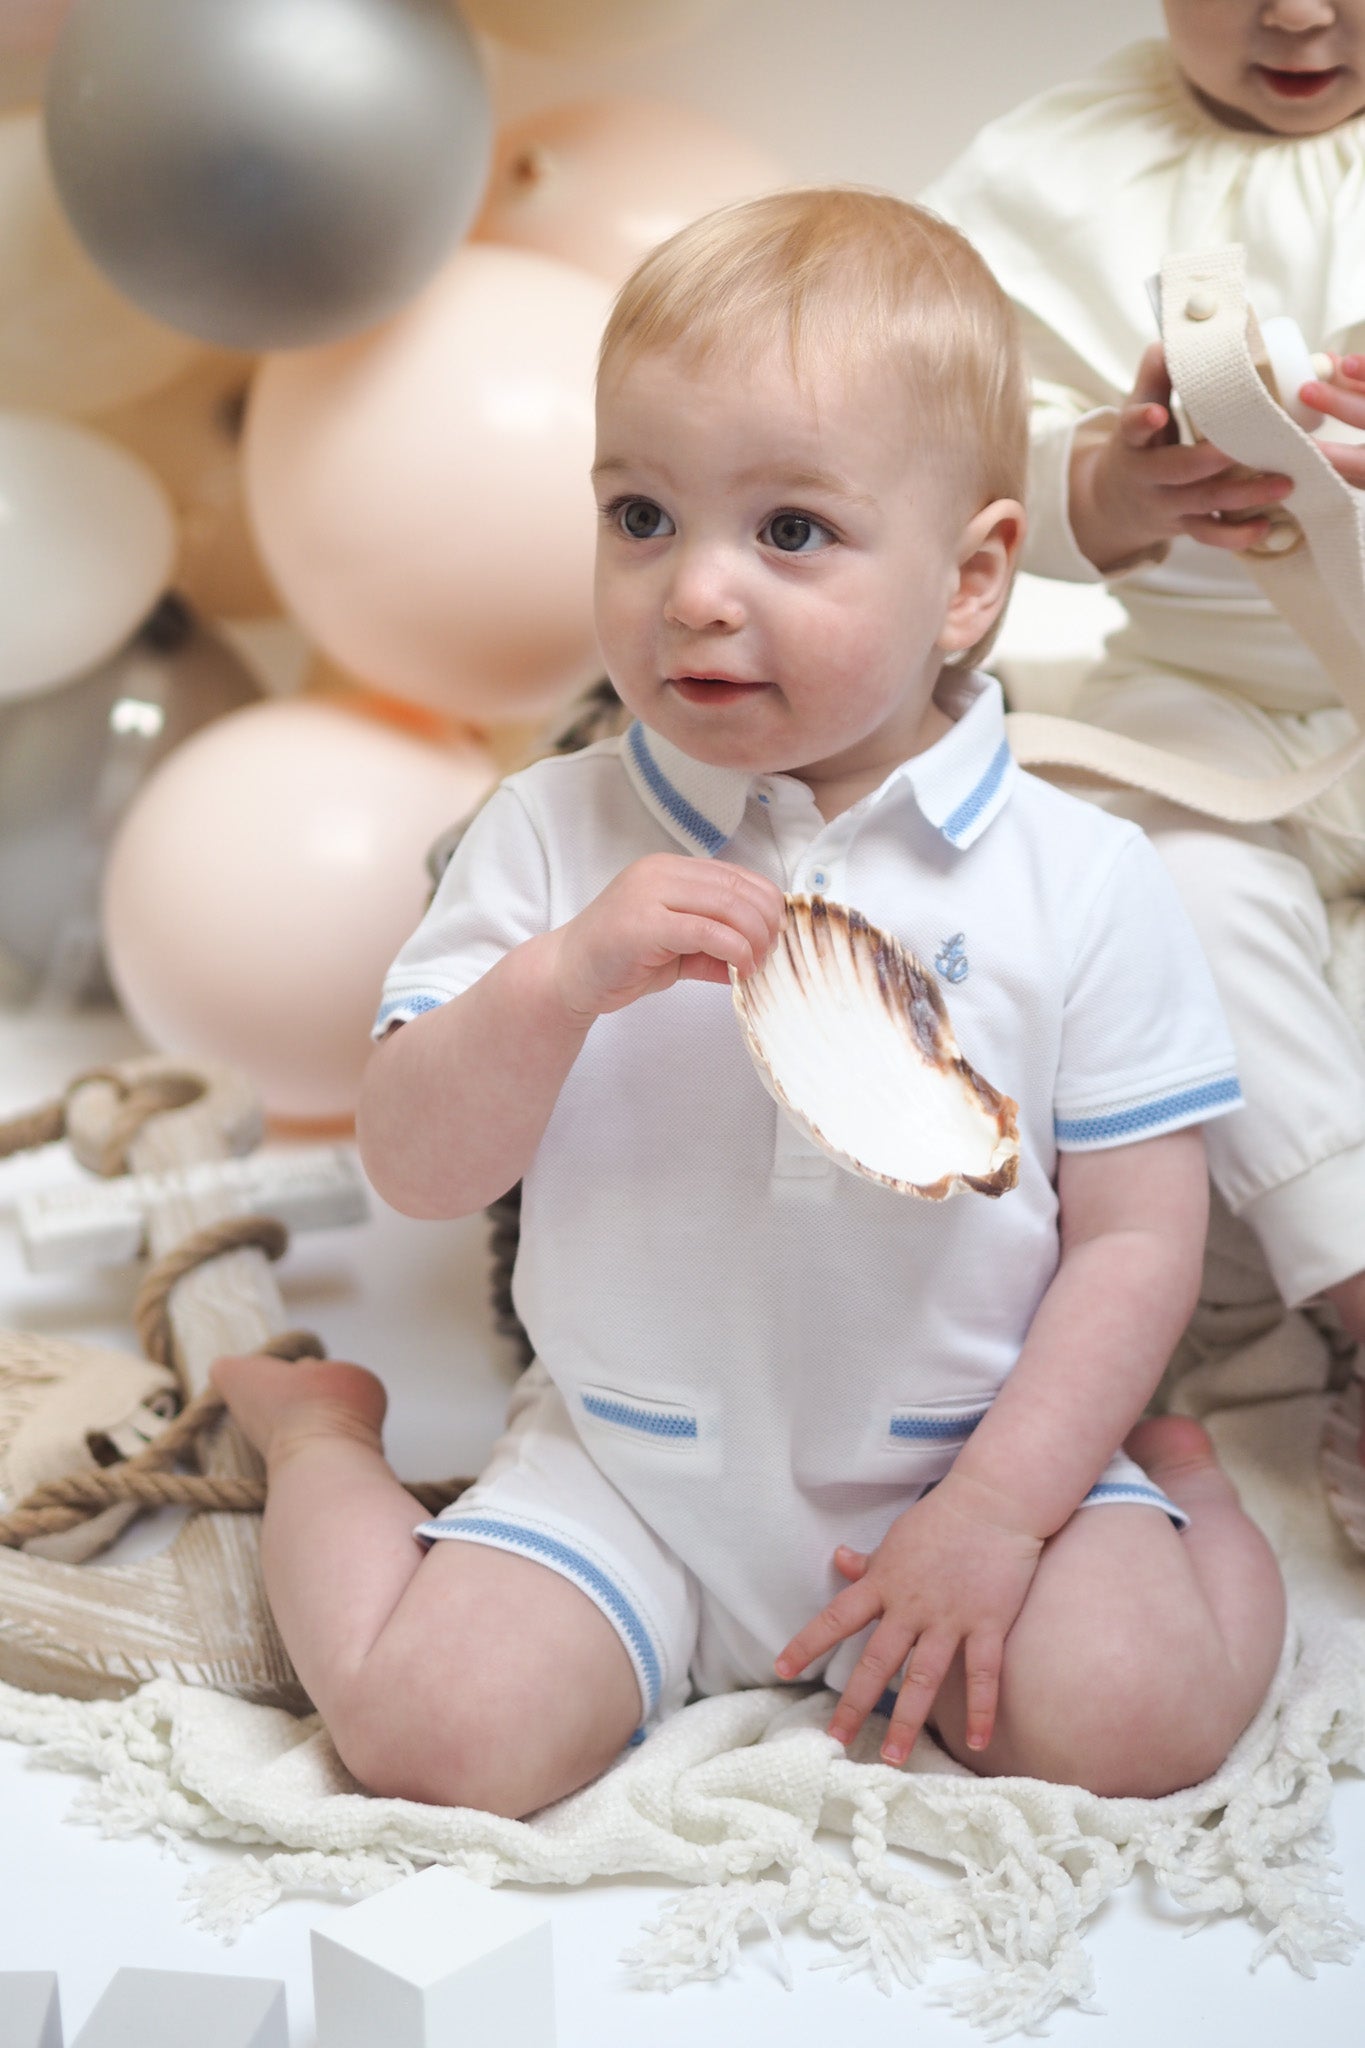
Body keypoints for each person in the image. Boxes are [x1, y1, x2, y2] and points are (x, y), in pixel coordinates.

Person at [212, 188, 1285, 1820]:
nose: (694, 592)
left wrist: (1004, 1510)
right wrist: (560, 983)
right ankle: (315, 1439)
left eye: (788, 532)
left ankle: (1185, 1485)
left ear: (969, 582)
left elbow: (1138, 1238)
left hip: (966, 1456)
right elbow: (419, 1170)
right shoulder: (549, 833)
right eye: (639, 516)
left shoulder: (1080, 873)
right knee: (430, 1737)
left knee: (1147, 1723)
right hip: (632, 1469)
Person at [925, 0, 1365, 1449]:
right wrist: (1104, 488)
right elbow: (943, 453)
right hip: (1202, 695)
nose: (1296, 12)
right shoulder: (1053, 168)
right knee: (1166, 891)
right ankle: (1359, 1305)